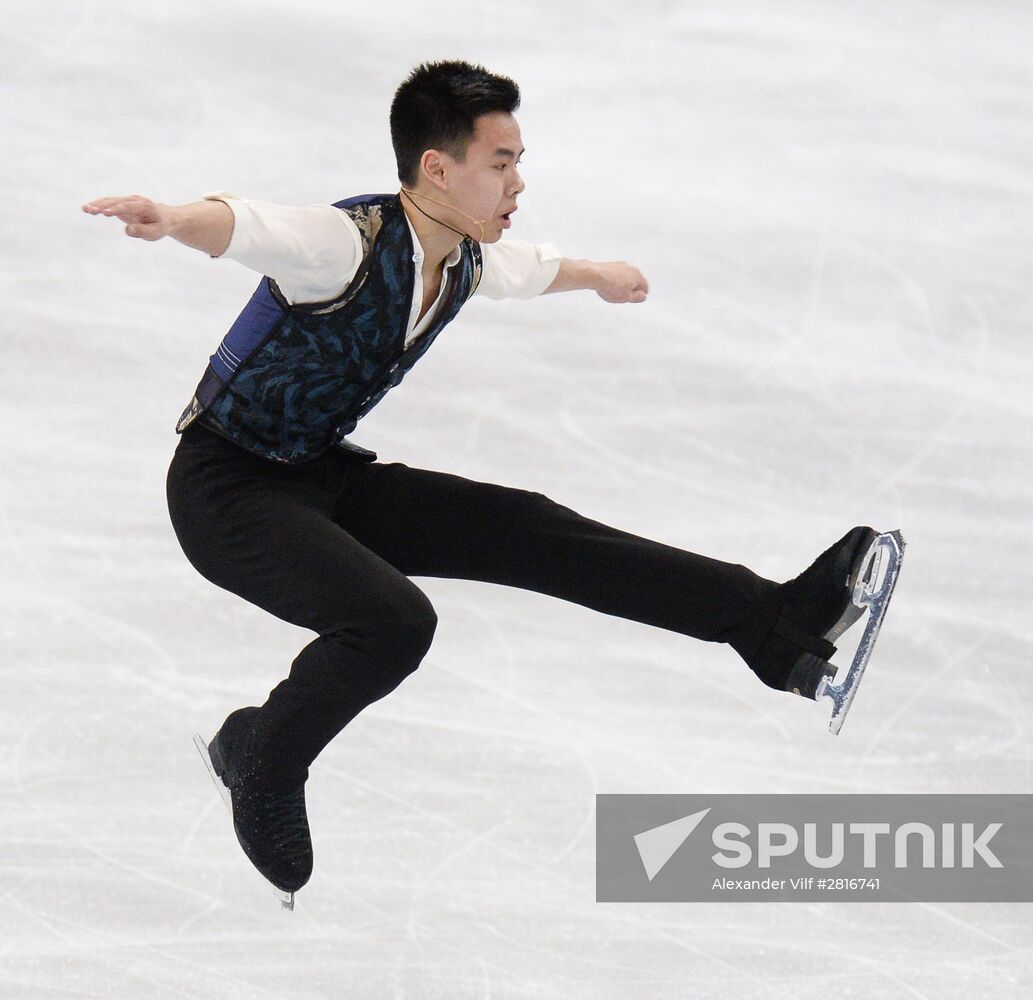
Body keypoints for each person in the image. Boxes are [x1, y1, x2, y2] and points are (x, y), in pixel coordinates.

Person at [82, 60, 879, 902]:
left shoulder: (462, 256)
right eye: (500, 163)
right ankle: (261, 758)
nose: (517, 181)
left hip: (318, 475)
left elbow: (528, 268)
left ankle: (772, 623)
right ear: (437, 167)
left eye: (517, 161)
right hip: (225, 489)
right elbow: (246, 226)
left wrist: (599, 273)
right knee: (391, 621)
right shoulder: (345, 243)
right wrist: (171, 218)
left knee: (528, 529)